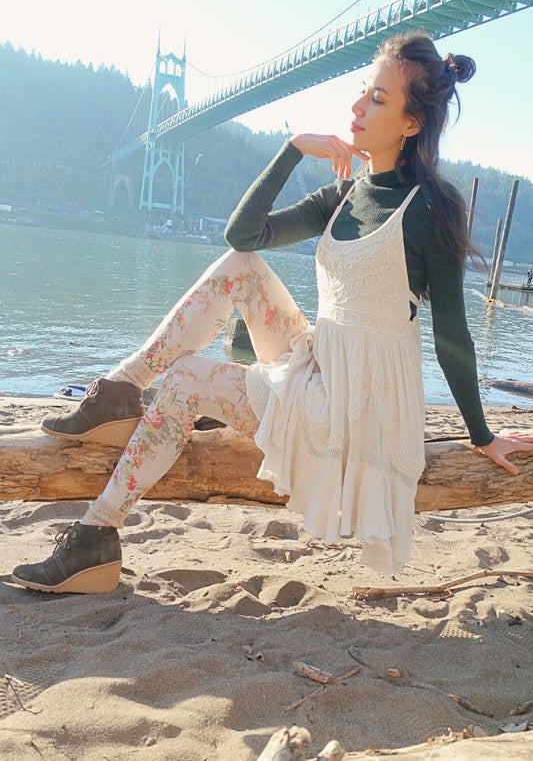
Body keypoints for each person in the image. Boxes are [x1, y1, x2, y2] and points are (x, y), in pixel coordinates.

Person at [12, 31, 533, 593]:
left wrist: (481, 434)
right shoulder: (345, 195)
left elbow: (452, 333)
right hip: (319, 364)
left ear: (411, 124)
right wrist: (292, 148)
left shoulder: (432, 207)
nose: (357, 108)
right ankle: (121, 388)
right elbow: (245, 234)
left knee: (186, 380)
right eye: (362, 92)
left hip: (358, 409)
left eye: (378, 99)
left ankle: (97, 533)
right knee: (240, 264)